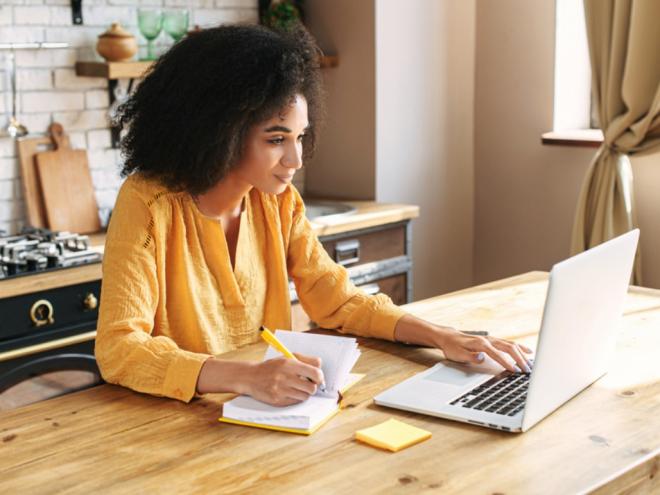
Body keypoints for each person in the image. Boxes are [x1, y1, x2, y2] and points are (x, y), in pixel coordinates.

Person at [95, 23, 532, 406]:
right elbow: (120, 349)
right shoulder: (148, 203)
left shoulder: (276, 200)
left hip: (274, 409)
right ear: (218, 131)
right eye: (276, 139)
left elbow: (337, 300)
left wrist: (442, 336)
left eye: (300, 137)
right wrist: (247, 378)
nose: (295, 160)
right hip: (177, 424)